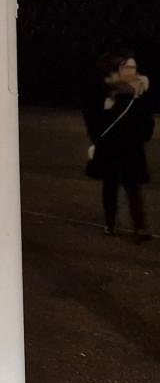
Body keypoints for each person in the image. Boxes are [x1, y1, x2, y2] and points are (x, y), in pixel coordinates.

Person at [83, 51, 153, 241]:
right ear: (118, 69)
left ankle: (140, 227)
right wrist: (97, 136)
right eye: (127, 67)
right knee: (110, 187)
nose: (131, 70)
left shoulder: (140, 90)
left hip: (132, 147)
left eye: (133, 67)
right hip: (111, 148)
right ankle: (110, 224)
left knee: (134, 189)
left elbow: (147, 119)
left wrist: (144, 132)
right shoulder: (106, 90)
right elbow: (93, 117)